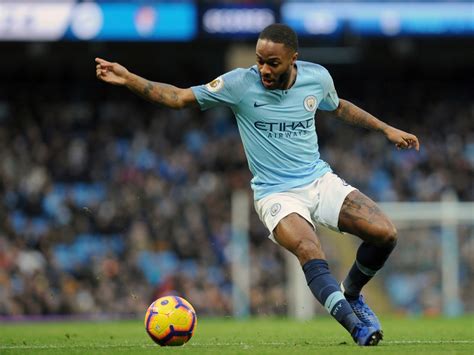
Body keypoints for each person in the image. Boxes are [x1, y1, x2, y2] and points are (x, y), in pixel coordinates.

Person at [95, 23, 419, 346]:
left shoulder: (316, 78)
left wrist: (386, 129)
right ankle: (356, 328)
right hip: (275, 193)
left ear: (294, 58)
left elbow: (338, 106)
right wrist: (129, 78)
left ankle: (351, 294)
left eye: (272, 63)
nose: (263, 69)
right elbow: (179, 97)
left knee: (385, 234)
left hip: (319, 180)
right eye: (259, 60)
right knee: (309, 249)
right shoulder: (239, 83)